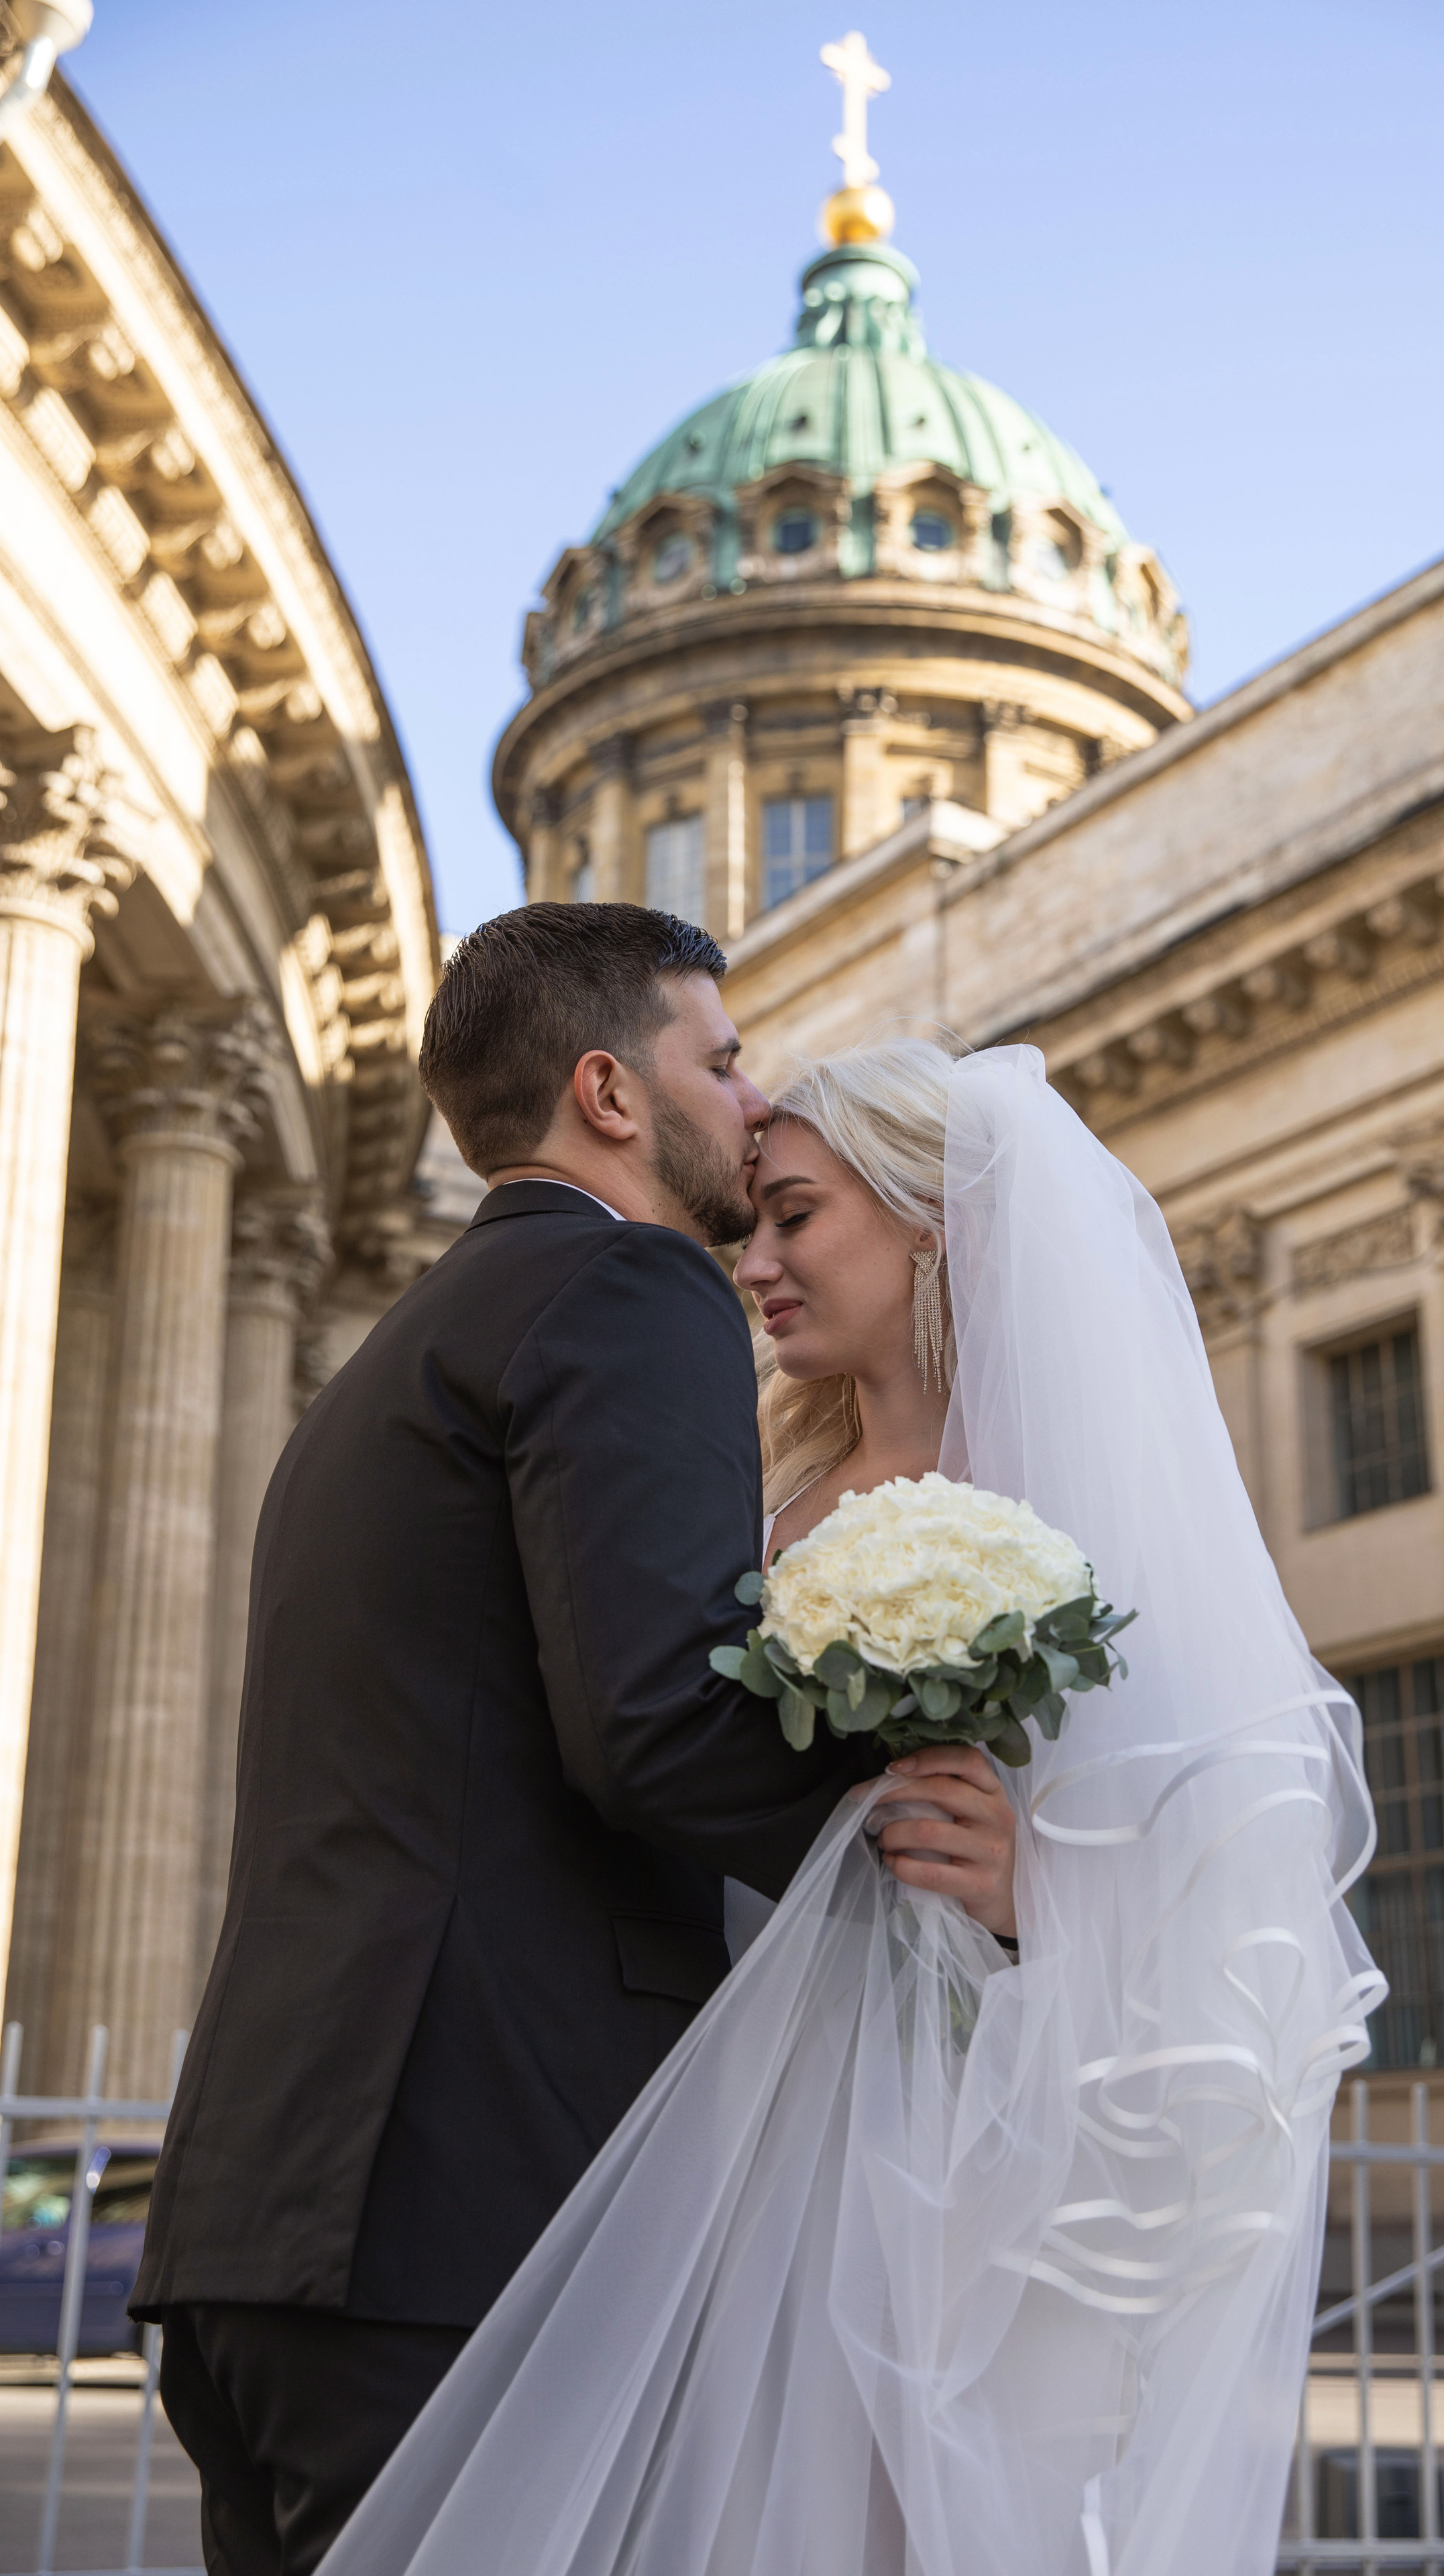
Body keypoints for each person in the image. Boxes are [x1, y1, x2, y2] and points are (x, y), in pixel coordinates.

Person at [319, 1036, 1384, 2576]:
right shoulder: (753, 1497)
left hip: (983, 2138)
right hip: (733, 2108)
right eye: (748, 1224)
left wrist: (1035, 1900)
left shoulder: (1086, 1484)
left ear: (929, 1217)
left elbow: (1236, 1847)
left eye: (793, 1217)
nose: (751, 1264)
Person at [131, 909, 1019, 2576]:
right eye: (725, 1058)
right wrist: (923, 1788)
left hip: (266, 2218)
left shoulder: (391, 1358)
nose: (751, 1109)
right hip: (462, 2210)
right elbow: (656, 1735)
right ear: (611, 1092)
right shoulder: (622, 1286)